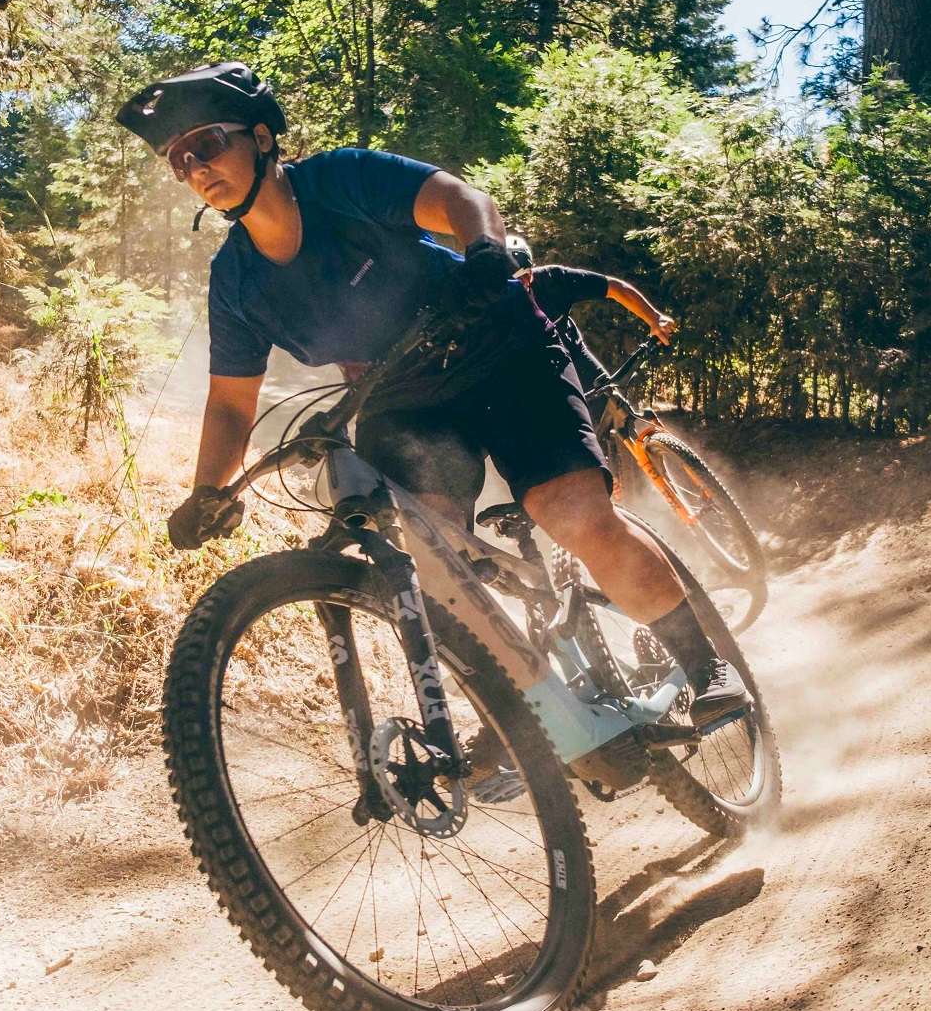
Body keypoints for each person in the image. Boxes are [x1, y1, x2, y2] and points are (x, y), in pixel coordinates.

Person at [115, 62, 746, 727]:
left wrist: (481, 253)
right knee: (438, 569)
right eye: (178, 159)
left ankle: (707, 667)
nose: (193, 168)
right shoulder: (234, 280)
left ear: (263, 137)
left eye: (207, 144)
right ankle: (532, 723)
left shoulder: (338, 180)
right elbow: (229, 404)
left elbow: (461, 200)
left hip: (499, 347)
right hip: (398, 398)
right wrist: (207, 492)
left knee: (570, 514)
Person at [504, 234, 677, 397]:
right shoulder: (489, 304)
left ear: (532, 273)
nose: (521, 284)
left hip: (572, 353)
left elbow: (615, 288)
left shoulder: (555, 280)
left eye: (525, 276)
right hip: (526, 367)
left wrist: (654, 318)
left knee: (611, 402)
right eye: (512, 281)